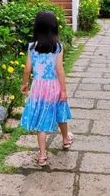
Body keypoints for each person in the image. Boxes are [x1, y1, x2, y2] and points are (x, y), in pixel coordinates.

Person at [20, 10, 73, 167]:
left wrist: (24, 84)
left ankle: (42, 155)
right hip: (53, 87)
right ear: (54, 28)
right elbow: (59, 70)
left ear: (37, 28)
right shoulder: (58, 47)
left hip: (38, 88)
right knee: (60, 112)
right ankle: (65, 139)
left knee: (41, 121)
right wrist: (63, 91)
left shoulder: (31, 47)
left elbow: (27, 69)